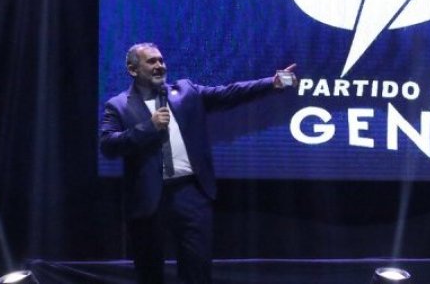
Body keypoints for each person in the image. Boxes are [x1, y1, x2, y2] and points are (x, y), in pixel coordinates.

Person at [99, 42, 296, 284]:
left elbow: (230, 93)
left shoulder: (186, 92)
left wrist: (271, 83)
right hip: (148, 198)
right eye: (151, 61)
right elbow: (108, 146)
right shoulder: (119, 105)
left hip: (190, 193)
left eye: (161, 60)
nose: (160, 65)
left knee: (197, 269)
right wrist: (148, 127)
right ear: (133, 69)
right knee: (149, 271)